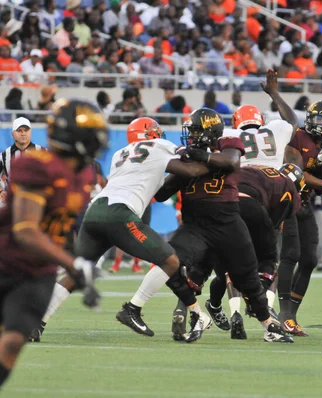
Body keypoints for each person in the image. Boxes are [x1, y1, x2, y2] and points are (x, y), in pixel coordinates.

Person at [32, 117, 216, 342]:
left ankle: (36, 323)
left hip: (95, 212)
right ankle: (133, 308)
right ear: (150, 134)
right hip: (119, 214)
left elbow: (156, 184)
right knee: (170, 260)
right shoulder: (159, 145)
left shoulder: (120, 154)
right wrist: (217, 162)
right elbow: (192, 170)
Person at [153, 108, 290, 343]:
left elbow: (230, 161)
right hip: (196, 226)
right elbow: (163, 193)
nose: (192, 135)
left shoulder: (228, 143)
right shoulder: (190, 159)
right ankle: (194, 312)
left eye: (196, 130)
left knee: (247, 278)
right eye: (191, 130)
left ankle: (268, 325)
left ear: (210, 131)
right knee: (170, 262)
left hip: (228, 222)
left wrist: (196, 156)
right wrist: (166, 164)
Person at [0, 99, 108, 387]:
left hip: (39, 273)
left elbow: (62, 226)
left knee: (11, 344)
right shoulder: (36, 166)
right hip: (6, 260)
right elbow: (25, 230)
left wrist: (74, 259)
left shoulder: (86, 173)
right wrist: (73, 263)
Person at [199, 69, 298, 337]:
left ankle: (231, 311)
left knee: (229, 262)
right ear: (261, 120)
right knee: (269, 260)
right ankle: (267, 307)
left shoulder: (228, 134)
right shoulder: (275, 130)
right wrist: (274, 93)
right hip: (270, 201)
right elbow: (292, 121)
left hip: (233, 200)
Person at [280, 100, 322, 336]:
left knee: (310, 259)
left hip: (304, 204)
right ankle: (284, 313)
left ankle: (291, 314)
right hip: (286, 202)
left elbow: (315, 186)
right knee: (290, 255)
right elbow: (295, 172)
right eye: (318, 118)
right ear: (309, 118)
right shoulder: (296, 137)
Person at [0, 117, 45, 206]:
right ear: (13, 133)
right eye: (19, 130)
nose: (23, 133)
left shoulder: (43, 152)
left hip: (38, 200)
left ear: (30, 132)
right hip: (12, 201)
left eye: (26, 130)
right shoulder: (4, 155)